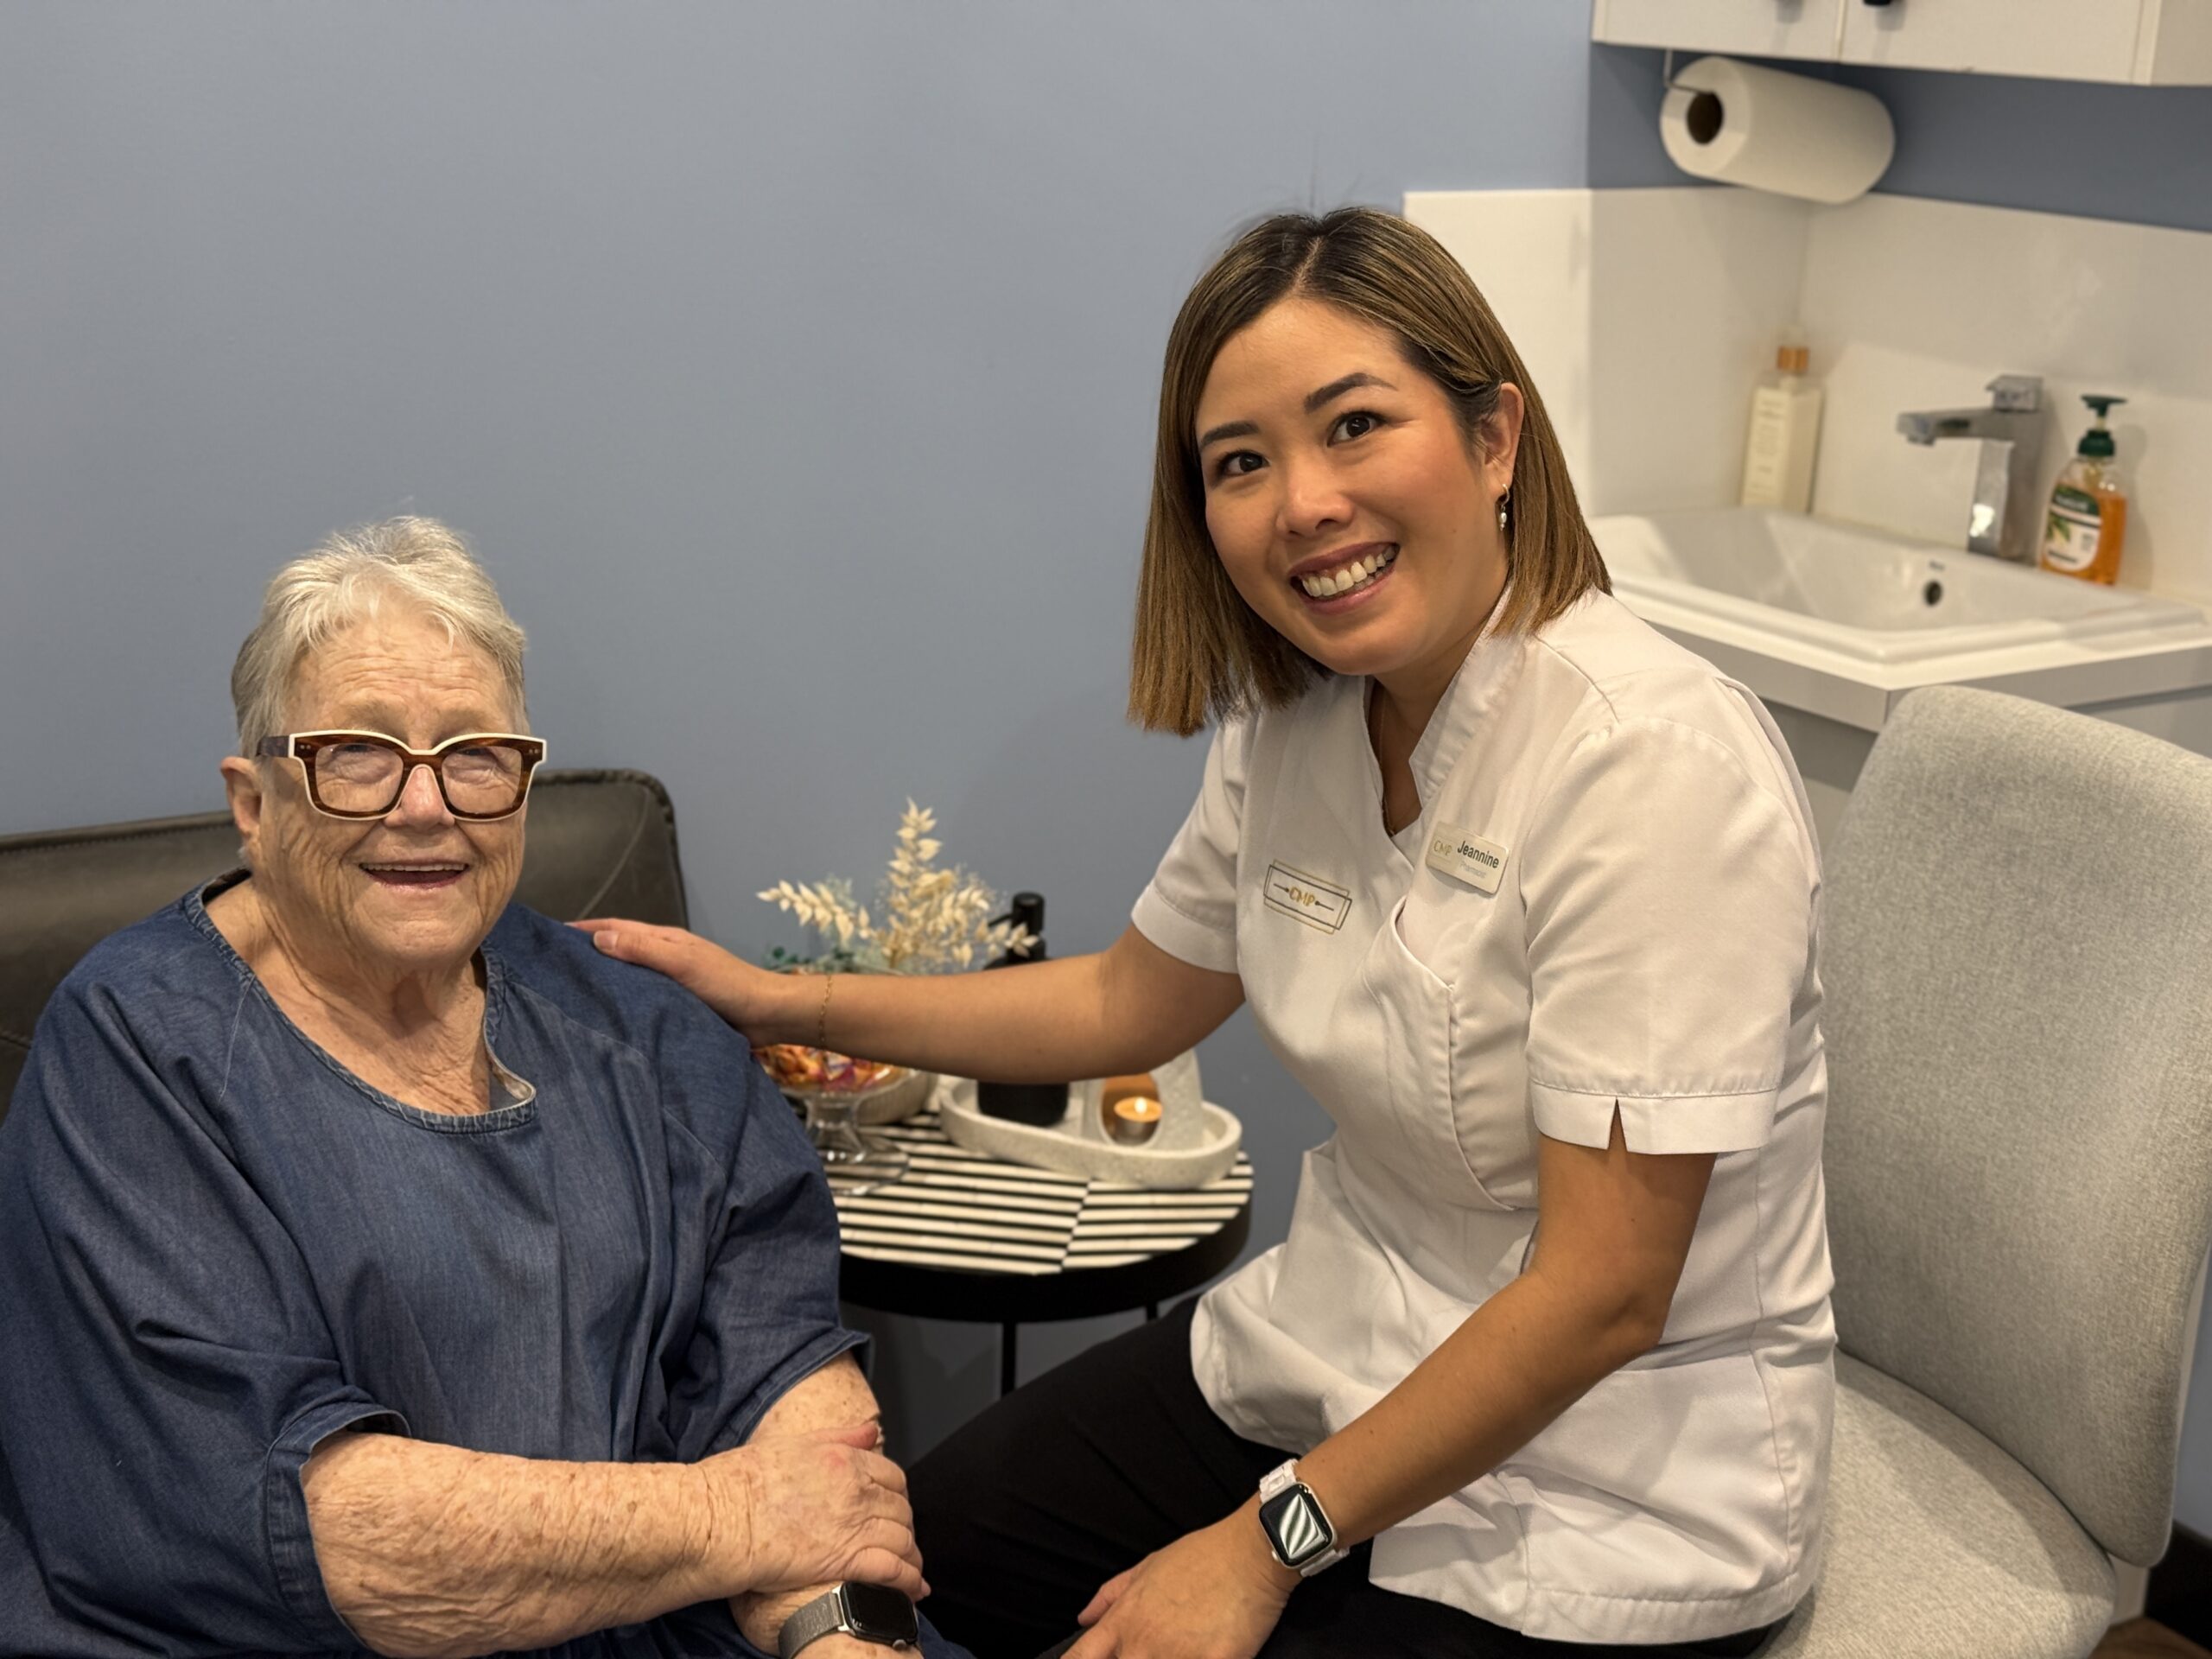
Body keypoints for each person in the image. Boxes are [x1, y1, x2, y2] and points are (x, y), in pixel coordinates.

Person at [582, 207, 1833, 1659]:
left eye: (1354, 425)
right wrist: (780, 1002)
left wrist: (1261, 1545)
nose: (1303, 502)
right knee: (913, 1555)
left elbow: (1604, 1293)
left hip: (1617, 1477)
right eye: (1241, 463)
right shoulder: (1298, 722)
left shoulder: (1653, 764)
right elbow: (1130, 1000)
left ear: (1495, 442)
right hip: (1341, 1340)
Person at [0, 518, 964, 1659]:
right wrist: (736, 1516)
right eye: (357, 752)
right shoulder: (134, 1053)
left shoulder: (641, 1025)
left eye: (474, 755)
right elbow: (309, 1530)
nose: (426, 806)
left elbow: (798, 1405)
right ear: (253, 803)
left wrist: (839, 1634)